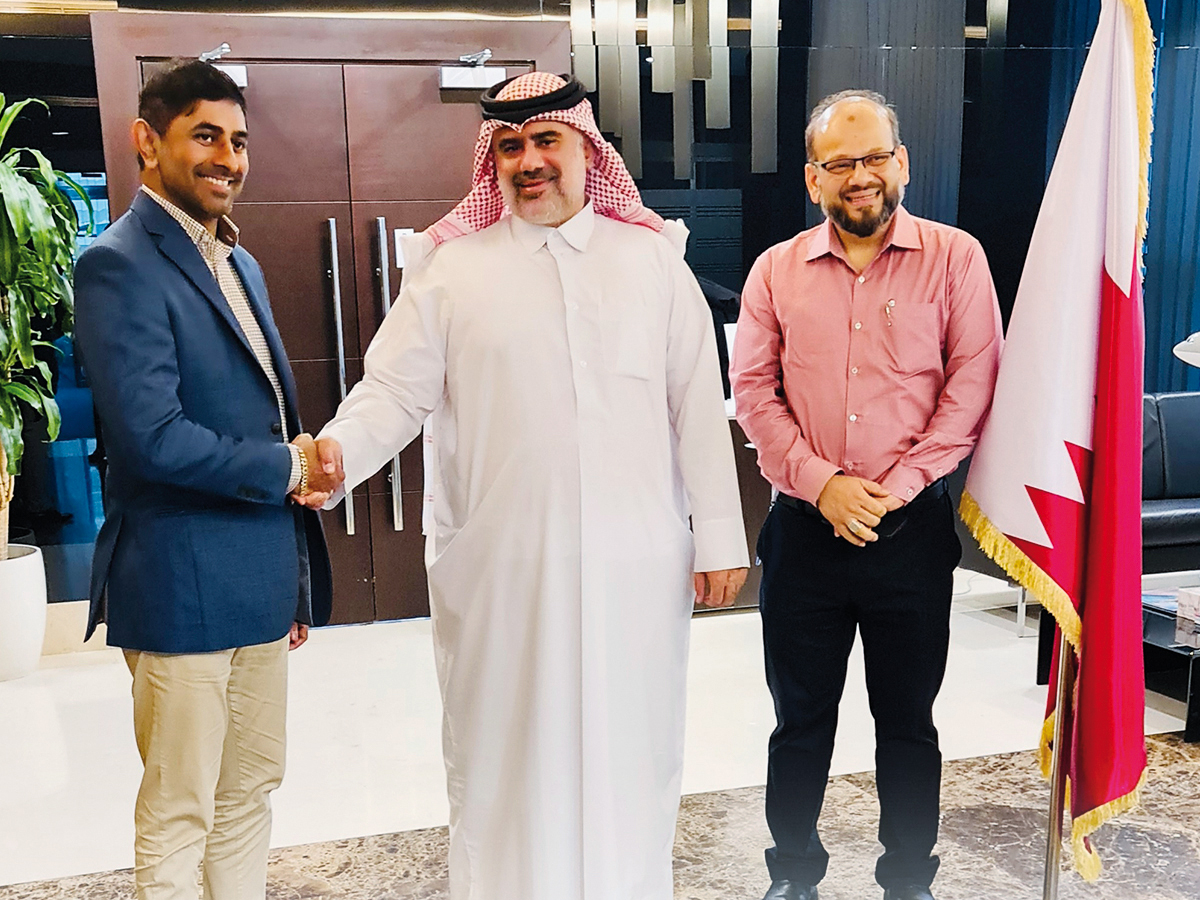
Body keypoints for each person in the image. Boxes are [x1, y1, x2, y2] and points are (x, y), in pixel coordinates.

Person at [303, 71, 748, 900]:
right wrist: (333, 456)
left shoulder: (654, 263)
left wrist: (720, 537)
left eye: (546, 140)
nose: (528, 160)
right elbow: (394, 392)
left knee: (630, 748)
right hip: (503, 570)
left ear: (587, 148)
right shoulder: (451, 270)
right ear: (490, 161)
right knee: (503, 754)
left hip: (632, 567)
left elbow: (696, 407)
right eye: (509, 146)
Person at [730, 90, 1003, 900]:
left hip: (910, 533)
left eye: (875, 157)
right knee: (800, 721)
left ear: (903, 164)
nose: (861, 177)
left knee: (909, 724)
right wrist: (825, 487)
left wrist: (894, 489)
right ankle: (794, 876)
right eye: (841, 163)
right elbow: (753, 393)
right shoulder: (774, 272)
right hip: (805, 535)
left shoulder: (957, 259)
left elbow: (972, 386)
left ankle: (909, 880)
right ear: (813, 179)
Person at [73, 59, 336, 900]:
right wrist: (289, 464)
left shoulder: (240, 263)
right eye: (206, 137)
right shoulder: (120, 263)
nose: (229, 157)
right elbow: (153, 440)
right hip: (179, 581)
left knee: (250, 788)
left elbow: (253, 419)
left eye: (239, 141)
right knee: (182, 804)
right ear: (147, 141)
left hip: (257, 580)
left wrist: (291, 580)